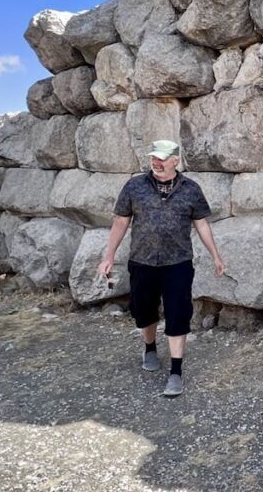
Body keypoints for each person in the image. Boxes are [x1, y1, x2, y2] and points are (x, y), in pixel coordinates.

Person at [96, 140, 225, 397]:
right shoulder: (135, 186)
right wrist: (108, 255)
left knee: (178, 313)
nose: (157, 162)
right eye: (154, 157)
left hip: (178, 262)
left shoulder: (191, 189)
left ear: (175, 160)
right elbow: (121, 221)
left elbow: (201, 224)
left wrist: (215, 256)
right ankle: (150, 347)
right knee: (144, 311)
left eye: (163, 158)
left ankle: (176, 371)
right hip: (142, 261)